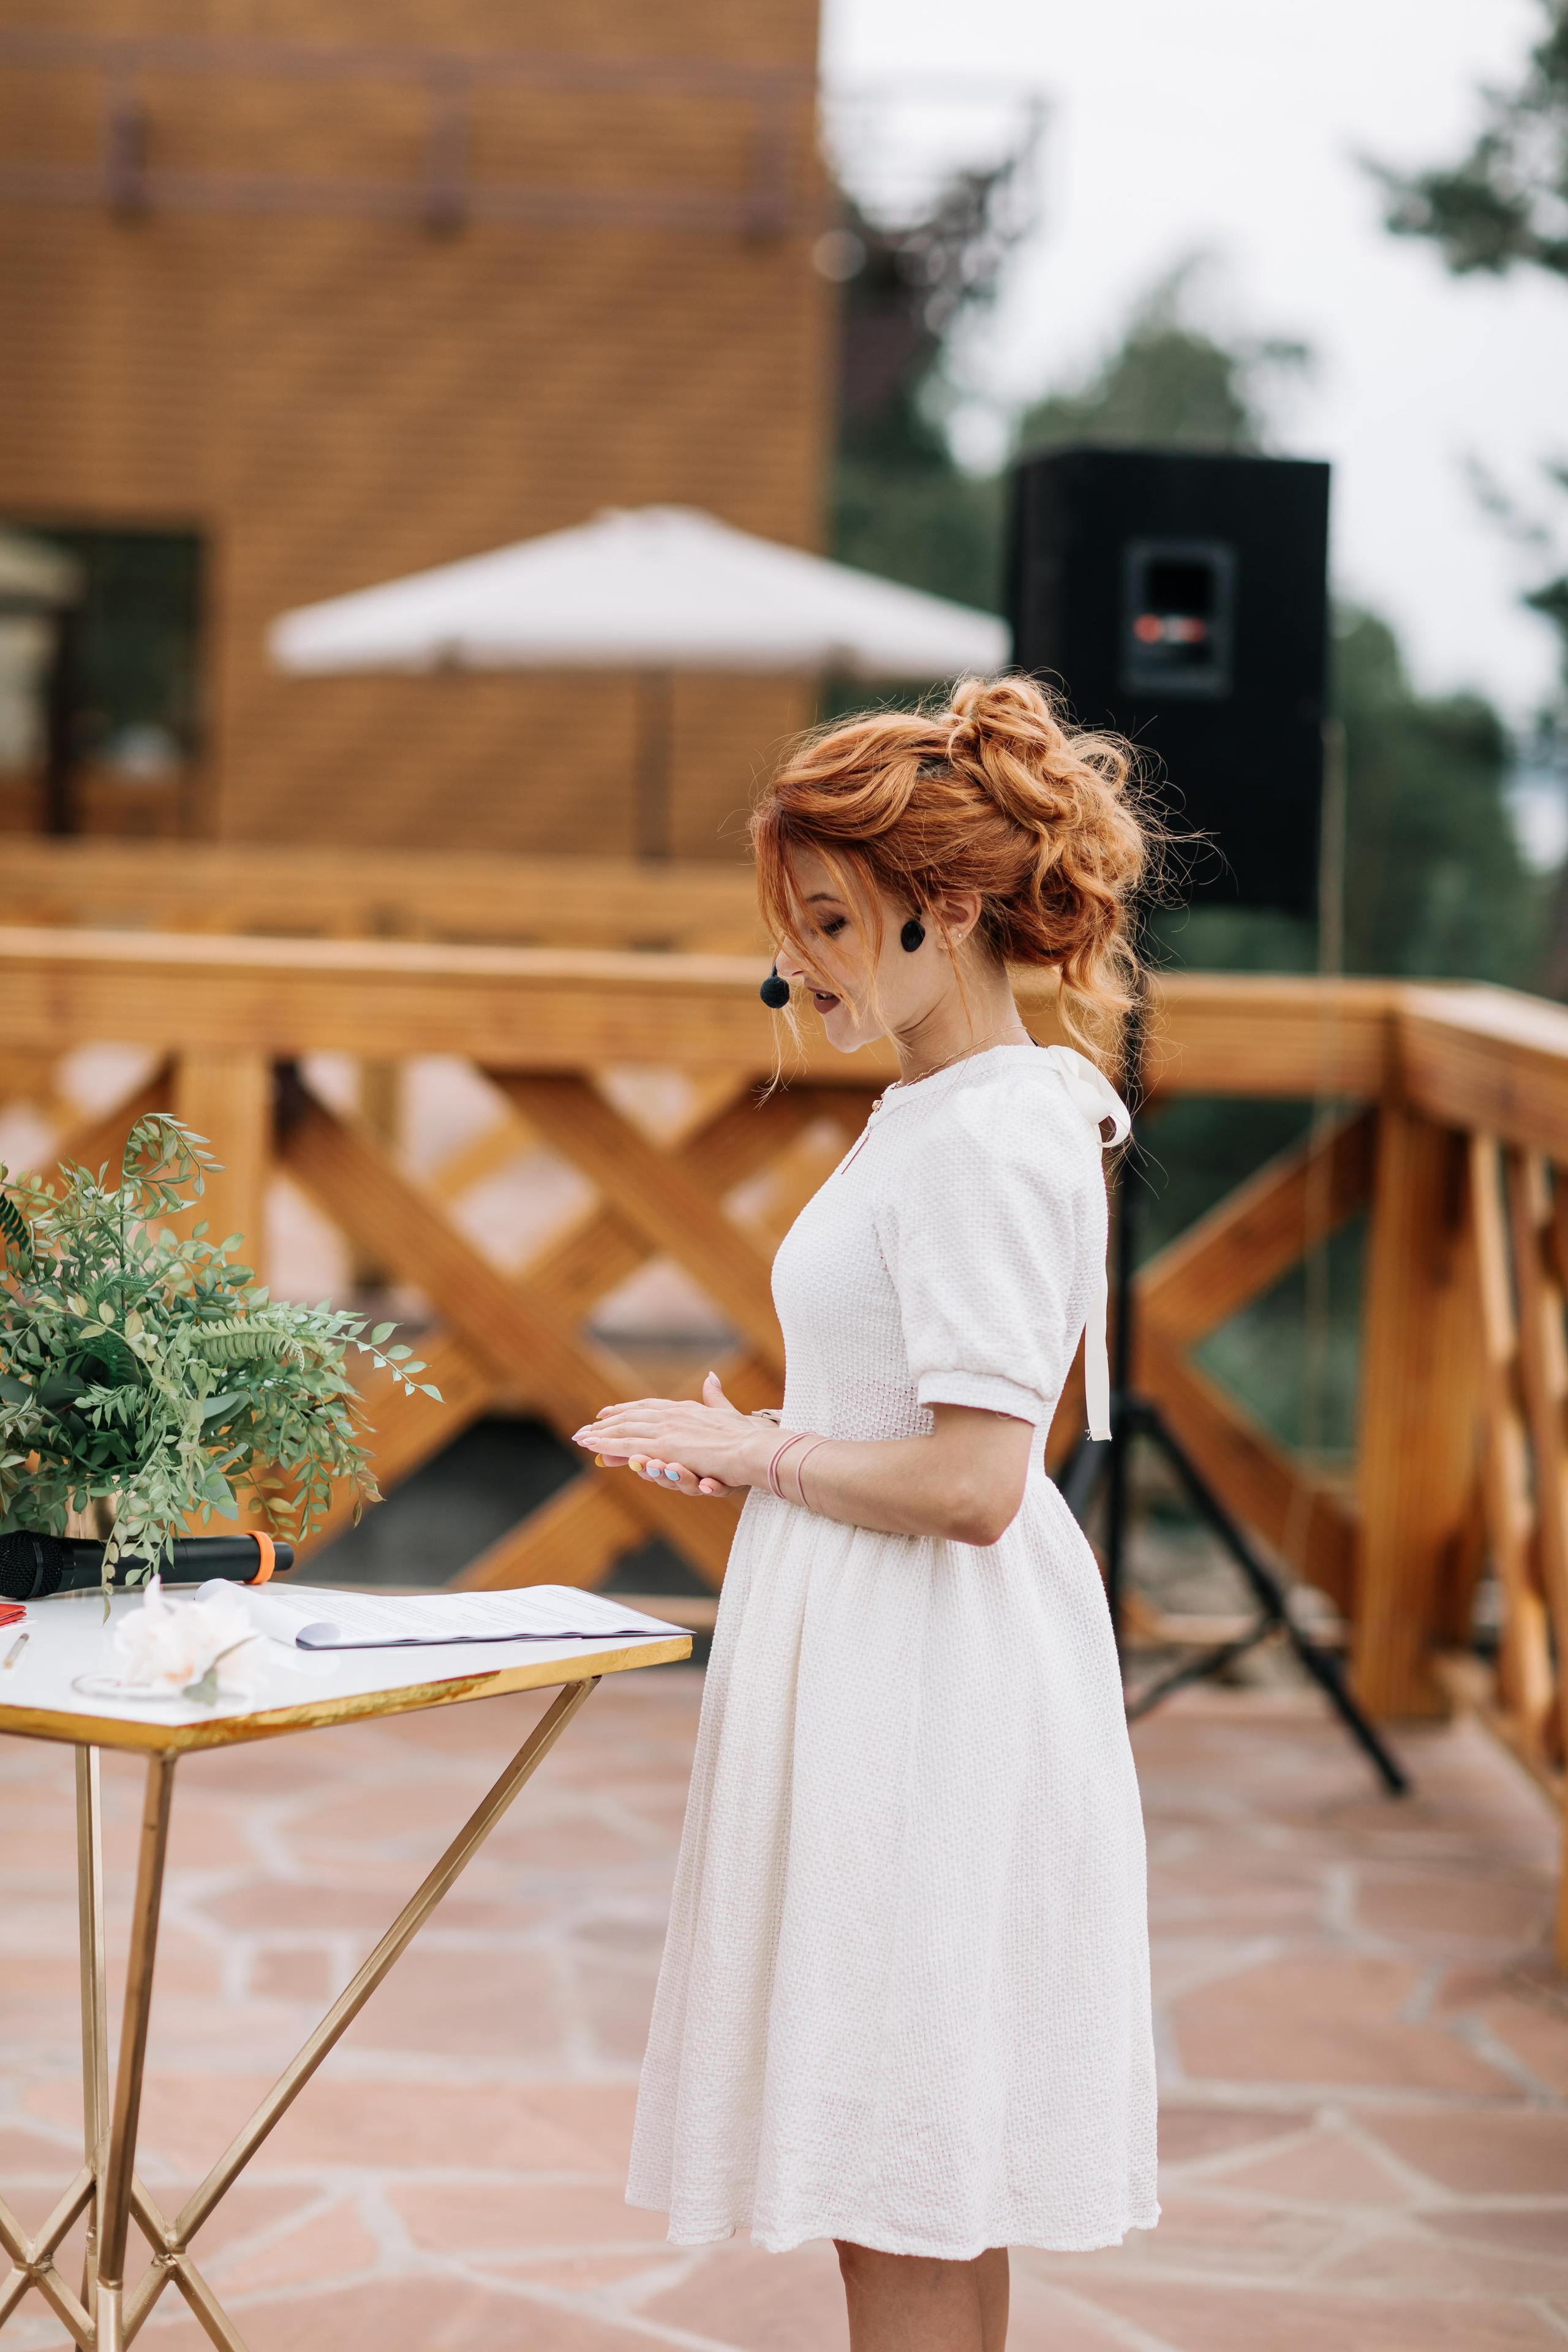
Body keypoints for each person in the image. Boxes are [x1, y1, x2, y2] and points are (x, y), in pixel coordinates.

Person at [573, 674, 1159, 2352]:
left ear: (949, 906)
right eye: (796, 926)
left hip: (927, 1691)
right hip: (889, 1667)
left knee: (900, 2175)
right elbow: (924, 1422)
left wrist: (767, 1459)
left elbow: (978, 1482)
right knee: (911, 2177)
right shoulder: (948, 1110)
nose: (801, 964)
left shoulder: (986, 1136)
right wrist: (767, 1438)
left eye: (830, 922)